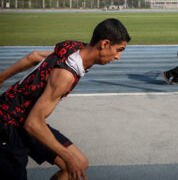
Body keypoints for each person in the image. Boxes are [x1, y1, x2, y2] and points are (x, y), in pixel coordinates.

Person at [0, 18, 131, 180]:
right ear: (104, 44)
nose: (118, 57)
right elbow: (33, 124)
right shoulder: (65, 75)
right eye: (119, 50)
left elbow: (34, 56)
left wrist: (1, 78)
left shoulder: (75, 49)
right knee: (72, 162)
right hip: (8, 124)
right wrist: (68, 157)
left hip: (26, 117)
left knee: (79, 164)